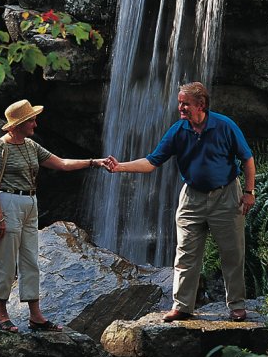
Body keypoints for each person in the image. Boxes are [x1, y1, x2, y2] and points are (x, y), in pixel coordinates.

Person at [109, 81, 255, 322]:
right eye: (180, 103)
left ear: (201, 105)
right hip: (192, 197)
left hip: (227, 194)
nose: (181, 108)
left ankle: (237, 305)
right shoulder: (178, 130)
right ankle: (182, 306)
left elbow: (247, 159)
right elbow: (151, 162)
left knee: (232, 252)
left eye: (185, 103)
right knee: (185, 253)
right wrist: (119, 167)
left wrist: (249, 192)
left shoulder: (224, 126)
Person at [0, 98, 111, 333]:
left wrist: (94, 162)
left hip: (30, 202)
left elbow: (62, 163)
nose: (35, 124)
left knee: (30, 259)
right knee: (5, 260)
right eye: (31, 120)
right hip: (8, 201)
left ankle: (35, 315)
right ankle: (2, 314)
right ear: (19, 123)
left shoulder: (31, 146)